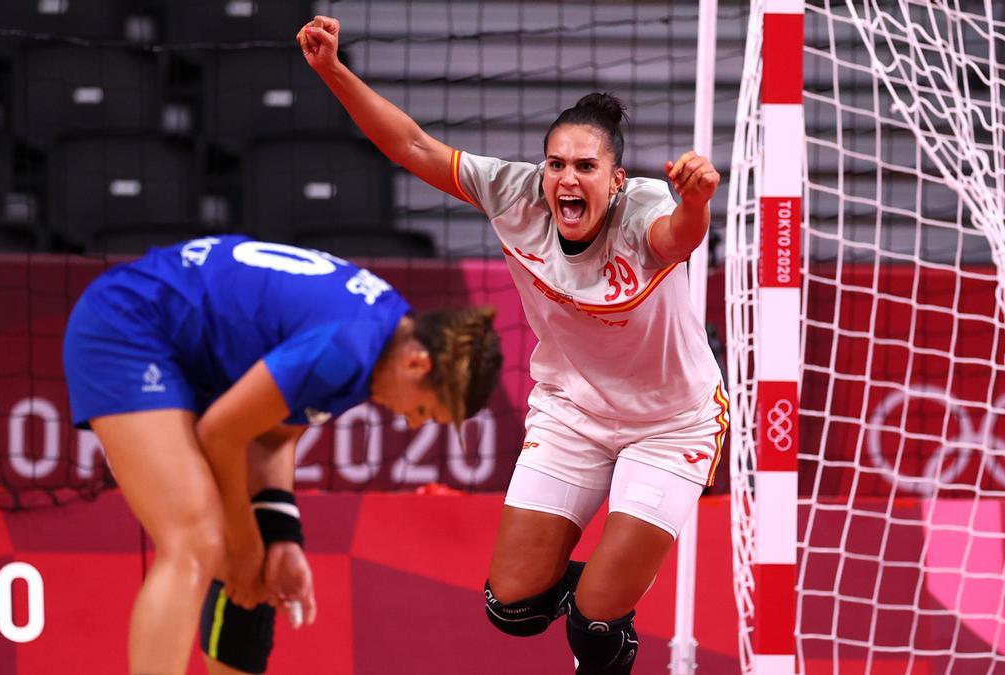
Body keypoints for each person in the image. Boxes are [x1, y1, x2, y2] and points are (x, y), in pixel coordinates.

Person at [298, 16, 729, 674]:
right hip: (572, 409)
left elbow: (680, 238)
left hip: (671, 422)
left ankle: (603, 614)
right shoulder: (513, 194)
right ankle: (601, 593)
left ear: (615, 181)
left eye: (586, 166)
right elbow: (411, 145)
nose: (566, 178)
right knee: (513, 608)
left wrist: (695, 201)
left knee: (592, 630)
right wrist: (332, 69)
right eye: (556, 163)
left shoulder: (643, 213)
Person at [62, 234, 503, 675]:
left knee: (249, 550)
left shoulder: (385, 333)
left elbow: (270, 436)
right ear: (418, 364)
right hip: (129, 326)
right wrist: (248, 545)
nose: (411, 423)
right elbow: (219, 434)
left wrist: (281, 535)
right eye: (425, 410)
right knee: (196, 542)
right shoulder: (346, 349)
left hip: (186, 347)